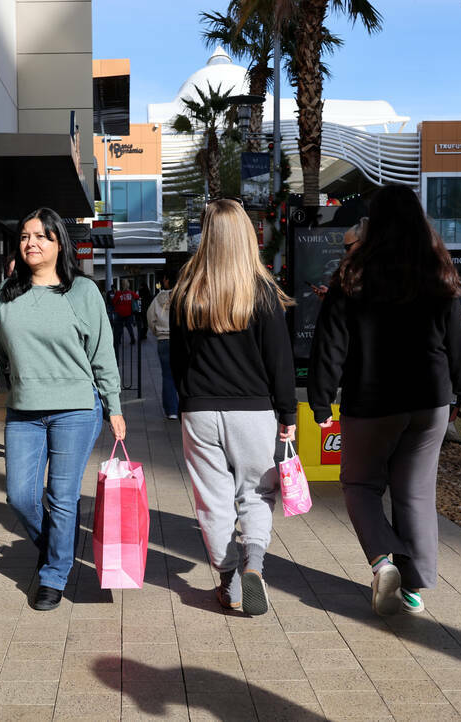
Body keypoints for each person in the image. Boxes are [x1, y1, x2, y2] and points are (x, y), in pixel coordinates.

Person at [307, 183, 461, 617]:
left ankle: (383, 561)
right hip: (430, 401)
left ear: (373, 222)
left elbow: (330, 345)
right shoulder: (437, 272)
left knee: (361, 484)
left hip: (372, 400)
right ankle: (414, 589)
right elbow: (458, 342)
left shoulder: (352, 275)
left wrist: (321, 401)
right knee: (416, 493)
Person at [0, 207, 125, 612]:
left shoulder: (82, 292)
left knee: (62, 496)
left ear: (59, 243)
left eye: (41, 236)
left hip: (76, 408)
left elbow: (102, 354)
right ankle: (59, 547)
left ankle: (53, 575)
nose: (31, 243)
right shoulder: (6, 293)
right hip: (24, 410)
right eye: (24, 236)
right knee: (20, 496)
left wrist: (115, 406)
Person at [170, 199, 296, 616]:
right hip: (254, 411)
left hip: (201, 410)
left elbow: (177, 359)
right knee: (257, 493)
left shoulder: (186, 290)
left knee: (213, 499)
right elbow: (280, 360)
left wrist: (186, 401)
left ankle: (229, 580)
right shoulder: (262, 291)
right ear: (246, 235)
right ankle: (254, 565)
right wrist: (288, 414)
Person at [145, 268, 178, 420]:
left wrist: (157, 332)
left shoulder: (158, 298)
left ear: (166, 280)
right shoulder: (182, 296)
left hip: (164, 340)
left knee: (167, 375)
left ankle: (171, 409)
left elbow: (150, 318)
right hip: (180, 339)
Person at [110, 281, 140, 345]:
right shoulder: (130, 293)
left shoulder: (118, 293)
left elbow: (114, 302)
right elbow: (137, 297)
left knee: (120, 327)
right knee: (129, 327)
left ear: (122, 285)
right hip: (129, 313)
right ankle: (132, 339)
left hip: (120, 313)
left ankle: (118, 340)